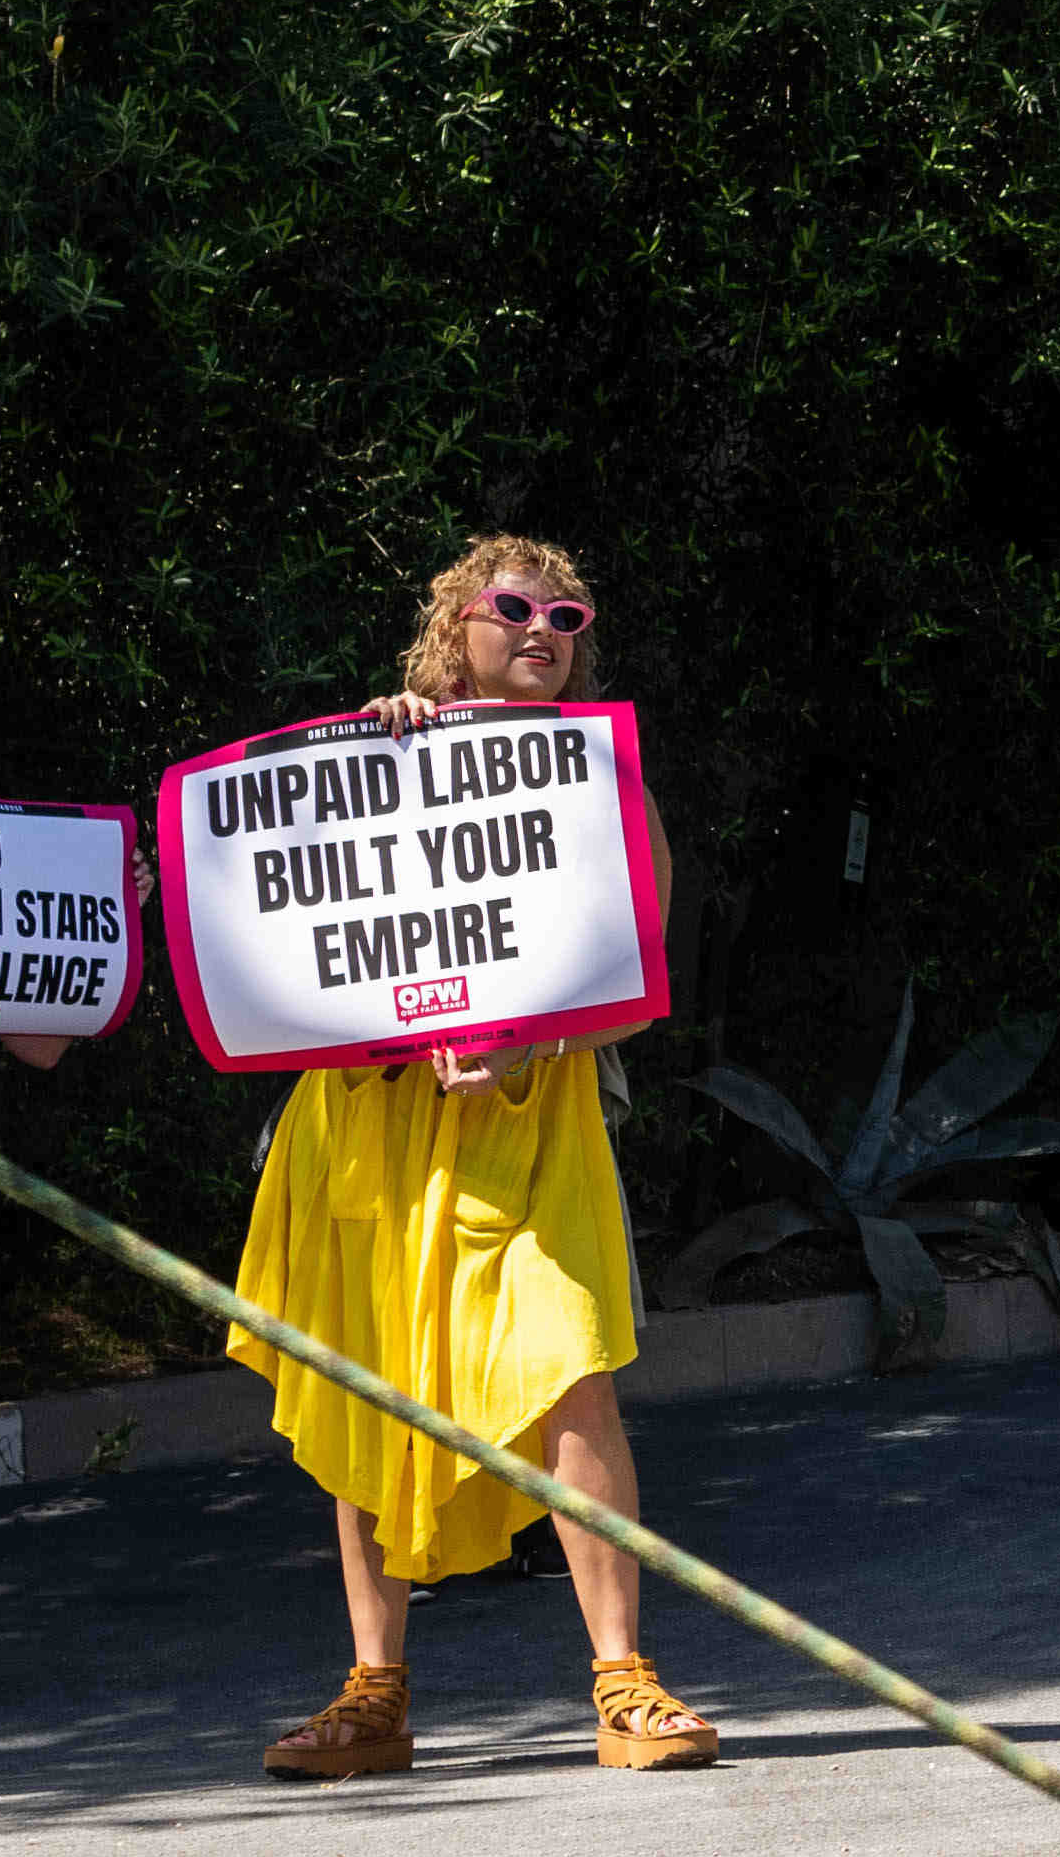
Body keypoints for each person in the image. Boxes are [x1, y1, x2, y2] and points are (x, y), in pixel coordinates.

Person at [244, 540, 723, 1782]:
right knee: (363, 1386)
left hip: (530, 1118)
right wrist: (360, 752)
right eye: (511, 607)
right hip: (369, 1122)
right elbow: (298, 927)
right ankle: (374, 1694)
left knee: (572, 1373)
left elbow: (639, 980)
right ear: (454, 625)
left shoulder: (604, 777)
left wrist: (526, 1046)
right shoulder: (379, 752)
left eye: (566, 612)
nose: (541, 627)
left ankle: (625, 1682)